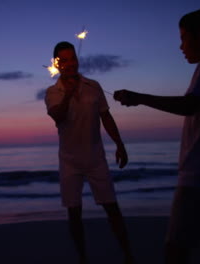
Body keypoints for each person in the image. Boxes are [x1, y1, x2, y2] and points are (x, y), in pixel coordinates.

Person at [114, 8, 200, 264]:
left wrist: (139, 98)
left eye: (184, 37)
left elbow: (189, 105)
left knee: (175, 251)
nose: (181, 45)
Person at [44, 41, 135, 264]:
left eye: (72, 58)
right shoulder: (52, 91)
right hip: (69, 161)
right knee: (74, 213)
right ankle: (82, 258)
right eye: (63, 60)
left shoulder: (94, 86)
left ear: (77, 59)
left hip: (96, 157)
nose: (69, 63)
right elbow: (57, 116)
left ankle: (128, 256)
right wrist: (68, 95)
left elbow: (105, 116)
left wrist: (119, 144)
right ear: (56, 64)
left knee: (111, 207)